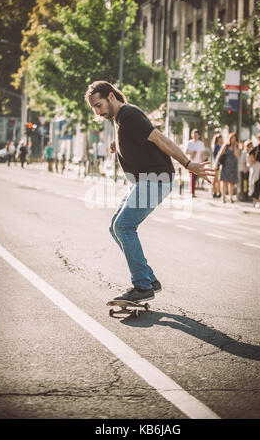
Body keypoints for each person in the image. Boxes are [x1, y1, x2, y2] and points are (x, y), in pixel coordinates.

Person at [85, 81, 215, 303]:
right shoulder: (120, 119)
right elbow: (141, 141)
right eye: (94, 109)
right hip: (143, 181)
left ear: (111, 96)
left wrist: (188, 163)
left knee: (123, 227)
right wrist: (120, 144)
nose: (98, 112)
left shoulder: (128, 115)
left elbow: (159, 139)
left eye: (99, 105)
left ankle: (142, 286)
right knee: (115, 227)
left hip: (155, 179)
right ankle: (149, 280)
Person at [215, 132, 240, 203]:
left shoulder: (237, 146)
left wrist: (235, 147)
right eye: (232, 138)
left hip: (233, 167)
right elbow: (219, 154)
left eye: (234, 138)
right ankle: (223, 197)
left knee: (232, 182)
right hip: (225, 166)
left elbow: (237, 155)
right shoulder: (225, 145)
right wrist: (216, 164)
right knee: (224, 181)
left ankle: (231, 197)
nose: (233, 139)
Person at [248, 135, 260, 208]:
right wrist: (253, 161)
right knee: (255, 183)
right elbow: (250, 154)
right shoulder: (257, 148)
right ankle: (255, 200)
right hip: (257, 167)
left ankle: (258, 199)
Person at [186, 129, 205, 198]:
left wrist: (203, 163)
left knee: (195, 177)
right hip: (190, 163)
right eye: (194, 135)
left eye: (196, 135)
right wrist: (192, 152)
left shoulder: (201, 144)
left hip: (198, 163)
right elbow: (186, 152)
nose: (195, 136)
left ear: (199, 136)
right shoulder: (189, 143)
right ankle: (192, 191)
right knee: (192, 177)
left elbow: (202, 154)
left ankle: (192, 189)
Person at [211, 133, 223, 198]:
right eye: (219, 138)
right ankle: (214, 191)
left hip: (220, 164)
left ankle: (218, 191)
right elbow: (215, 156)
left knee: (218, 179)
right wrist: (217, 163)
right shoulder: (216, 146)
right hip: (216, 163)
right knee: (215, 179)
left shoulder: (221, 146)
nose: (220, 139)